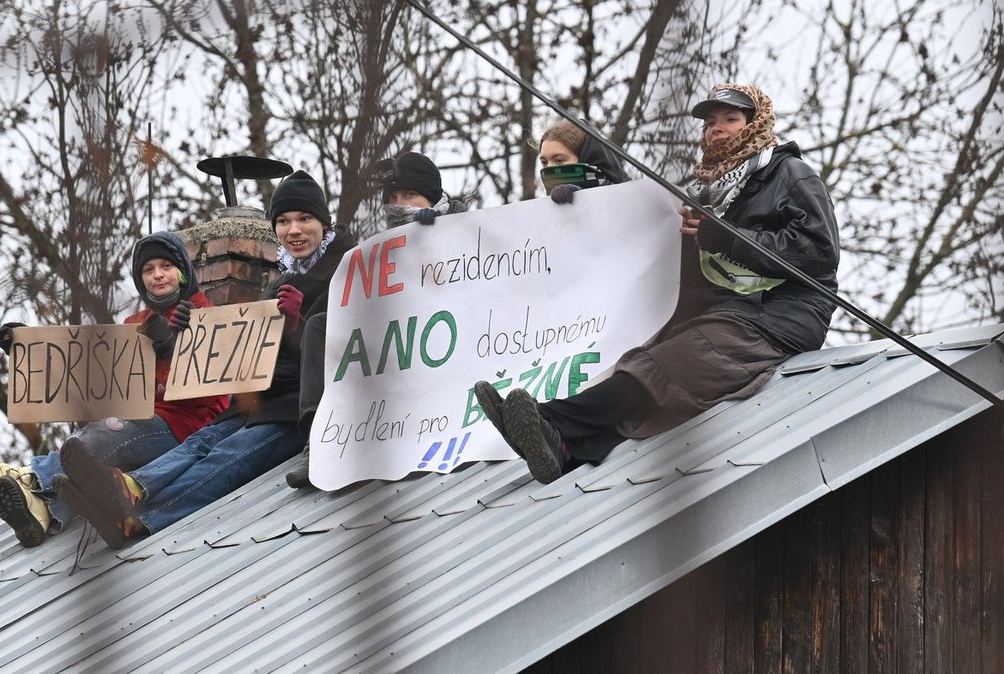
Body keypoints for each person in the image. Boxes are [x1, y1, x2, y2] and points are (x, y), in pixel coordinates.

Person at [475, 83, 841, 483]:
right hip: (724, 314)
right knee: (646, 368)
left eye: (730, 119)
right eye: (710, 122)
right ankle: (565, 453)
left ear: (757, 124)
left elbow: (818, 252)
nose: (716, 129)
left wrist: (727, 237)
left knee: (659, 367)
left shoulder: (791, 174)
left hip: (779, 319)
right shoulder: (710, 192)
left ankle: (550, 420)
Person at [53, 170, 357, 547]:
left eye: (304, 219)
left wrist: (297, 323)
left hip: (299, 411)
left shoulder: (351, 268)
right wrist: (189, 333)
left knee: (228, 457)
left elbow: (344, 345)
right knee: (201, 443)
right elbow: (245, 352)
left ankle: (138, 519)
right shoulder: (278, 281)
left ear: (324, 222)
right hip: (257, 399)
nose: (293, 230)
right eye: (283, 221)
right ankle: (130, 487)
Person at [0, 231, 229, 546]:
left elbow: (207, 395)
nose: (158, 275)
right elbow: (100, 384)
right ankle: (41, 510)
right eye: (148, 270)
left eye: (166, 266)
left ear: (183, 272)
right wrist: (32, 351)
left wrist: (171, 349)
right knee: (92, 447)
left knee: (105, 432)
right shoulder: (134, 323)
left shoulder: (210, 319)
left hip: (184, 428)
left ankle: (29, 480)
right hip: (136, 421)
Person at [284, 151, 469, 489]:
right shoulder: (380, 249)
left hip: (447, 344)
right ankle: (320, 440)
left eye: (409, 195)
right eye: (392, 198)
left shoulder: (472, 231)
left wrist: (443, 238)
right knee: (321, 324)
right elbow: (342, 307)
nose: (399, 205)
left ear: (433, 197)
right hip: (392, 346)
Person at [536, 119, 628, 204]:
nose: (549, 168)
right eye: (544, 162)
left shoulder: (629, 198)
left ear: (587, 158)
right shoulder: (542, 213)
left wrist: (582, 199)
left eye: (559, 160)